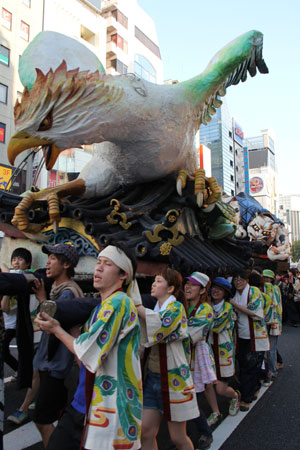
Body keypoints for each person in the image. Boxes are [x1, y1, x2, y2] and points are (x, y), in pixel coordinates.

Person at [36, 244, 142, 450]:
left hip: (107, 404)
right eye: (98, 262)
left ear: (123, 275)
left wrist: (57, 329)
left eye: (107, 264)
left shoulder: (118, 303)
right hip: (86, 399)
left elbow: (86, 353)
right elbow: (84, 351)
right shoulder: (104, 305)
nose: (98, 269)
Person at [136, 267, 198, 450]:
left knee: (178, 437)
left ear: (171, 289)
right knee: (145, 432)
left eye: (158, 281)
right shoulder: (154, 310)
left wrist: (137, 306)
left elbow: (161, 325)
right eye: (154, 281)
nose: (153, 284)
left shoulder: (176, 308)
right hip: (152, 377)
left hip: (174, 379)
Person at [32, 243, 83, 448]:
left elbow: (50, 326)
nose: (48, 262)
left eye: (53, 258)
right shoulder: (61, 290)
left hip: (55, 367)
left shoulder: (67, 293)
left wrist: (42, 299)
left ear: (66, 264)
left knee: (42, 419)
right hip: (55, 365)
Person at [231, 270, 269, 411]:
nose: (238, 281)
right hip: (241, 335)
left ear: (247, 280)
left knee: (250, 366)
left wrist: (233, 304)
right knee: (245, 364)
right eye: (236, 279)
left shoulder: (253, 292)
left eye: (241, 279)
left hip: (255, 336)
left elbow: (254, 313)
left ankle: (246, 399)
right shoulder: (235, 294)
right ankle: (255, 387)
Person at [184, 271, 214, 449]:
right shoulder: (182, 305)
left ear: (203, 290)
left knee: (191, 397)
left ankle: (204, 432)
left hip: (195, 357)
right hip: (183, 357)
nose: (188, 287)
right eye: (187, 283)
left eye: (193, 285)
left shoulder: (206, 310)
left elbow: (189, 335)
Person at [209, 277, 240, 417]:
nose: (216, 291)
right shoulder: (206, 304)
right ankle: (215, 412)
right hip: (208, 348)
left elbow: (216, 326)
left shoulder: (227, 307)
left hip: (223, 350)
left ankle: (234, 396)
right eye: (214, 287)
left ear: (226, 293)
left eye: (220, 289)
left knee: (220, 389)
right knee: (207, 385)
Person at [0, 248, 32, 377]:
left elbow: (4, 307)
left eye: (20, 259)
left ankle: (25, 374)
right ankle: (21, 371)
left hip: (21, 323)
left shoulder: (29, 276)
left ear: (28, 263)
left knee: (25, 352)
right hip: (10, 324)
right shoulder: (10, 277)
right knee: (4, 351)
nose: (16, 262)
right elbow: (5, 307)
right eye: (13, 259)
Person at [262, 269, 282, 383]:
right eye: (264, 277)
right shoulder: (277, 288)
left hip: (268, 321)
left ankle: (272, 371)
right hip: (276, 321)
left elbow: (269, 303)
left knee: (270, 348)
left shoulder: (268, 287)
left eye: (267, 277)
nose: (265, 279)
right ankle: (273, 369)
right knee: (271, 347)